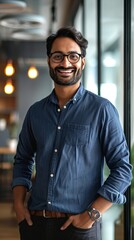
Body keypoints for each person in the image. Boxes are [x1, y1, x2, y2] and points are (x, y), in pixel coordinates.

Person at [12, 26, 132, 240]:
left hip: (79, 227)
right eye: (58, 56)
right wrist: (19, 206)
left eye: (73, 56)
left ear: (82, 62)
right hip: (34, 224)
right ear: (49, 60)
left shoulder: (102, 110)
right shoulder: (35, 112)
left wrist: (91, 215)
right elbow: (22, 160)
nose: (65, 63)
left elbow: (122, 169)